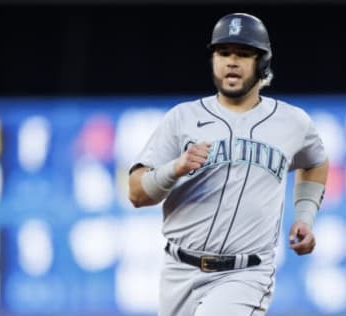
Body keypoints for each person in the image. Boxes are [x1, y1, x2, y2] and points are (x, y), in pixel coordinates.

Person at [128, 12, 329, 316]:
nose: (231, 62)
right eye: (223, 53)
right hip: (178, 270)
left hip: (245, 273)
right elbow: (136, 193)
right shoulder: (182, 118)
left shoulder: (293, 123)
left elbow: (315, 162)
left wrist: (304, 216)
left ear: (262, 63)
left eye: (243, 55)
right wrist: (175, 169)